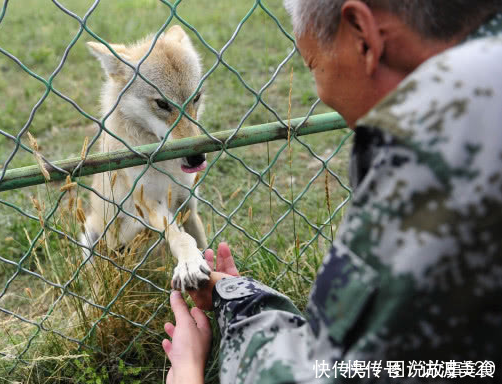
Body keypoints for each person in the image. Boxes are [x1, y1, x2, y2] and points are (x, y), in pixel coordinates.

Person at [161, 1, 502, 383]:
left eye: (311, 64)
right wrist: (233, 294)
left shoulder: (430, 151)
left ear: (362, 35)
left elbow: (337, 373)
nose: (320, 94)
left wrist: (190, 372)